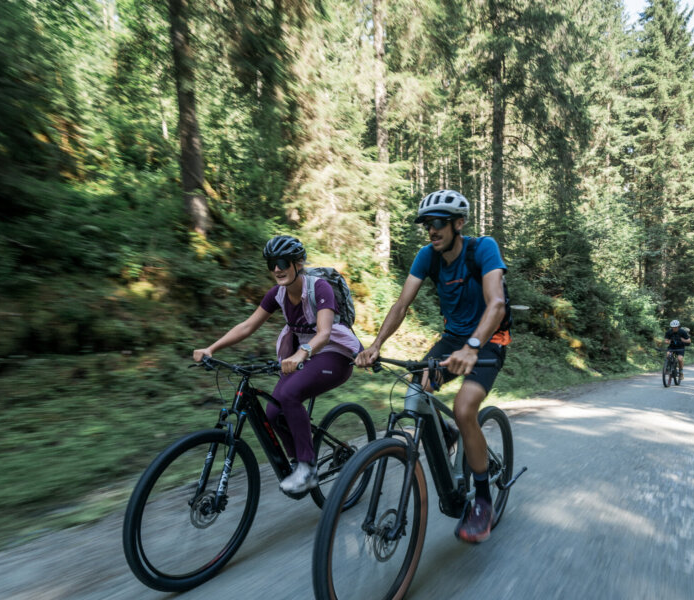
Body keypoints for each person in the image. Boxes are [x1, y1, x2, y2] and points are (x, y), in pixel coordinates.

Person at [355, 189, 509, 544]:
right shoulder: (428, 256)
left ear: (458, 223)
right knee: (414, 395)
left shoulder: (483, 248)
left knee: (464, 407)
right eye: (427, 224)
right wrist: (376, 345)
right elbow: (401, 305)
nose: (431, 231)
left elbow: (496, 303)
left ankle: (482, 500)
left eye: (438, 223)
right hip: (452, 340)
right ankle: (449, 434)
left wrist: (473, 347)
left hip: (489, 341)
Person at [193, 235, 362, 494]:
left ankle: (307, 469)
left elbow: (325, 333)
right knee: (273, 412)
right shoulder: (277, 294)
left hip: (334, 355)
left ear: (298, 263)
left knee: (289, 394)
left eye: (282, 262)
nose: (276, 269)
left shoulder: (319, 288)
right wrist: (211, 348)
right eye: (271, 263)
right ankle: (297, 461)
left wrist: (301, 353)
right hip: (301, 356)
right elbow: (248, 326)